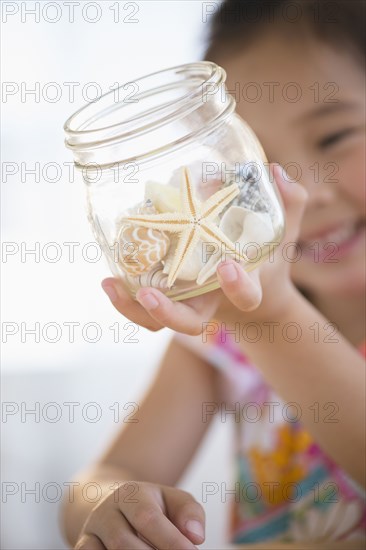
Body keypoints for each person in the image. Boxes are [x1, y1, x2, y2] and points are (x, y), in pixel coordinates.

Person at [62, 1, 365, 547]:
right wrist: (115, 505)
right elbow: (101, 480)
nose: (303, 190)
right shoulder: (220, 333)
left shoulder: (248, 320)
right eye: (258, 165)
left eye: (333, 137)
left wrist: (268, 317)